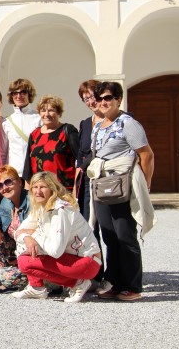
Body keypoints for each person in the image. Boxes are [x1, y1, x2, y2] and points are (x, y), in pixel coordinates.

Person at [88, 81, 155, 302]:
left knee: (125, 235)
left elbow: (146, 154)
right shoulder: (98, 126)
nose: (103, 102)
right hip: (102, 184)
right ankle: (114, 283)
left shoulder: (128, 124)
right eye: (99, 98)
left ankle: (132, 286)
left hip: (122, 184)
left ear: (118, 99)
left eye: (108, 98)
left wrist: (145, 183)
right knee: (109, 235)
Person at [12, 171, 102, 302]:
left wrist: (33, 234)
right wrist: (27, 237)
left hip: (87, 262)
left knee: (25, 261)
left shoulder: (61, 210)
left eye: (43, 187)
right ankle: (36, 288)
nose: (38, 191)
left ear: (52, 189)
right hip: (70, 257)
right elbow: (18, 232)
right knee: (25, 248)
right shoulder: (40, 206)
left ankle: (78, 283)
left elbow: (55, 251)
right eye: (35, 187)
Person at [76, 79, 107, 293]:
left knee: (110, 229)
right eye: (86, 98)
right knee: (90, 228)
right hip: (87, 182)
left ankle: (115, 276)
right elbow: (81, 154)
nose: (91, 101)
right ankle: (96, 274)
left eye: (93, 96)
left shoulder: (116, 120)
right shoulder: (85, 124)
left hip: (108, 179)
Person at [0, 165, 30, 293]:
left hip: (33, 252)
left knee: (7, 279)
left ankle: (40, 280)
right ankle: (8, 275)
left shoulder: (32, 200)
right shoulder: (6, 202)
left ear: (20, 182)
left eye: (8, 182)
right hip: (17, 252)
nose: (4, 188)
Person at [22, 95, 79, 191]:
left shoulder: (68, 130)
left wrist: (76, 189)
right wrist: (28, 193)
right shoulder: (34, 134)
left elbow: (80, 161)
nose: (46, 114)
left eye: (51, 110)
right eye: (43, 110)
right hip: (40, 191)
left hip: (63, 190)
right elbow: (28, 168)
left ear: (59, 112)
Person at [2, 78, 41, 176]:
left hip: (35, 173)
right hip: (14, 174)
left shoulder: (39, 118)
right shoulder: (6, 122)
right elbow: (4, 152)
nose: (19, 96)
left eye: (23, 92)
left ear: (29, 94)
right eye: (15, 93)